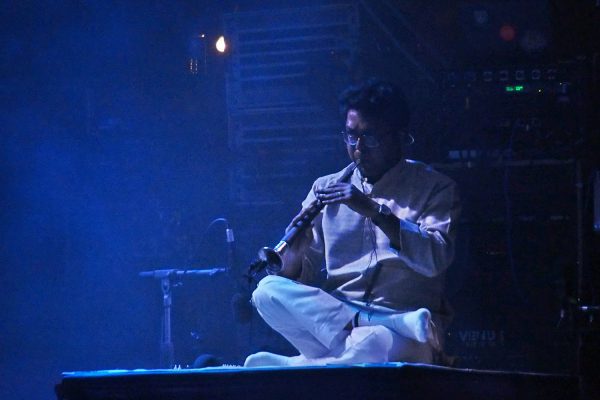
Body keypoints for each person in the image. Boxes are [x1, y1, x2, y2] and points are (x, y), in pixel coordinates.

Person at [244, 79, 460, 367]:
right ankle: (336, 353)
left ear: (400, 137)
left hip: (406, 334)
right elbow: (302, 279)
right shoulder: (325, 187)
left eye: (370, 138)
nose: (358, 149)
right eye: (350, 136)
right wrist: (295, 255)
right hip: (341, 321)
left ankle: (307, 364)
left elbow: (435, 258)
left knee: (374, 343)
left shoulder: (435, 187)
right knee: (267, 291)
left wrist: (374, 211)